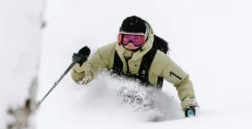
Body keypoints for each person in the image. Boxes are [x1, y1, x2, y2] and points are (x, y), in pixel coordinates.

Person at [70, 16, 199, 117]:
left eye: (137, 40)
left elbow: (182, 81)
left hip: (148, 110)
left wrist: (189, 103)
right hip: (113, 112)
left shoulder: (157, 59)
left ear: (145, 39)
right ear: (119, 38)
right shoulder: (107, 53)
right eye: (126, 39)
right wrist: (80, 65)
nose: (131, 45)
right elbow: (82, 80)